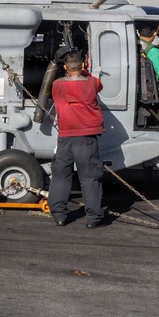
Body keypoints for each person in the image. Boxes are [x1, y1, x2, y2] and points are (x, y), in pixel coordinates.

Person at [48, 51, 106, 228]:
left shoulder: (57, 85)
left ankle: (59, 216)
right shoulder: (92, 82)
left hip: (65, 139)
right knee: (89, 178)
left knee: (60, 177)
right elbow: (98, 86)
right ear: (84, 65)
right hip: (87, 139)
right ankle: (93, 218)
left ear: (65, 67)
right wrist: (84, 71)